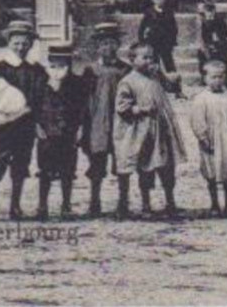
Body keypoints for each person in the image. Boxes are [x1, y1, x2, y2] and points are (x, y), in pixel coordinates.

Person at [0, 20, 48, 221]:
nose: (21, 47)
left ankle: (15, 207)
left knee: (21, 165)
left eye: (25, 43)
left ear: (31, 44)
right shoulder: (0, 67)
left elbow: (42, 97)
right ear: (9, 43)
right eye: (16, 43)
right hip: (4, 126)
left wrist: (37, 119)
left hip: (26, 125)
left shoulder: (37, 70)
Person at [114, 43, 186, 218]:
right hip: (143, 131)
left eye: (152, 57)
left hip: (162, 130)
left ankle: (170, 201)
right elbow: (122, 107)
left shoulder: (155, 76)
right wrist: (141, 109)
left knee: (167, 167)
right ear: (132, 60)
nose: (149, 61)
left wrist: (167, 75)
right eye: (144, 57)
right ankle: (146, 204)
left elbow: (171, 87)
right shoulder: (128, 81)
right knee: (146, 167)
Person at [74, 20, 130, 217]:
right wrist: (82, 125)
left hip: (121, 122)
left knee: (122, 162)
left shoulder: (125, 69)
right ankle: (94, 202)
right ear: (97, 47)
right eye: (104, 44)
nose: (108, 47)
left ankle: (123, 203)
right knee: (97, 162)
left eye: (112, 43)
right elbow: (81, 99)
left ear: (118, 45)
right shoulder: (90, 71)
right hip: (97, 122)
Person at [33, 50, 90, 220]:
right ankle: (42, 206)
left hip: (68, 133)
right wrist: (37, 126)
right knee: (45, 171)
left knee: (67, 170)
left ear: (68, 66)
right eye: (53, 66)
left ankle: (66, 205)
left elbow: (82, 109)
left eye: (61, 66)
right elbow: (34, 106)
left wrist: (80, 128)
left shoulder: (76, 84)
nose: (57, 70)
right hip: (46, 133)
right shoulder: (41, 83)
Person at [189, 60, 227, 218]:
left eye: (221, 77)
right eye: (213, 77)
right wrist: (203, 137)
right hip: (212, 141)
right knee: (212, 172)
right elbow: (197, 120)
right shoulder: (201, 99)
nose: (217, 80)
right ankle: (214, 203)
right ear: (205, 78)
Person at [138, 0, 179, 76]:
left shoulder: (169, 12)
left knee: (168, 62)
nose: (160, 1)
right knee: (154, 61)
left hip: (165, 42)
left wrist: (173, 41)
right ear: (153, 0)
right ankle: (155, 79)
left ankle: (173, 80)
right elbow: (142, 27)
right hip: (153, 41)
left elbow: (174, 28)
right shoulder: (149, 12)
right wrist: (142, 40)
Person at [197, 0, 227, 77]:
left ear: (214, 11)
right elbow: (202, 36)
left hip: (220, 44)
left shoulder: (220, 20)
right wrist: (207, 45)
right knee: (202, 56)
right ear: (205, 12)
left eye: (211, 11)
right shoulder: (203, 22)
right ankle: (204, 78)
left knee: (224, 61)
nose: (209, 14)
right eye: (207, 11)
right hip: (208, 44)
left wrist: (220, 37)